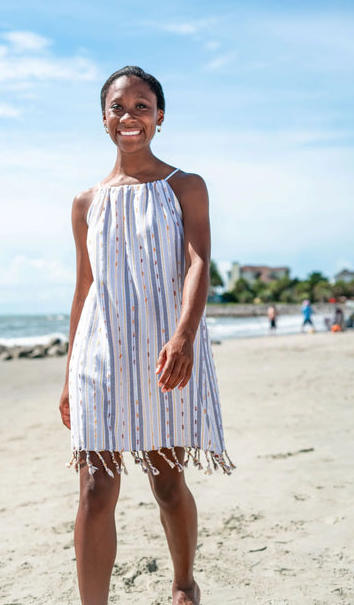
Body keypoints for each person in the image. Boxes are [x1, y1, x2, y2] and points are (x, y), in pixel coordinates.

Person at [59, 66, 234, 605]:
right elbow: (85, 288)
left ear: (160, 117)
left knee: (165, 479)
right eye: (118, 107)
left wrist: (183, 335)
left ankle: (184, 583)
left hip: (166, 352)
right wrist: (69, 375)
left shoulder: (185, 185)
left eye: (141, 106)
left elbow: (199, 260)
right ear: (103, 119)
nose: (129, 116)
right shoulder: (86, 202)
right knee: (94, 486)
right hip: (101, 354)